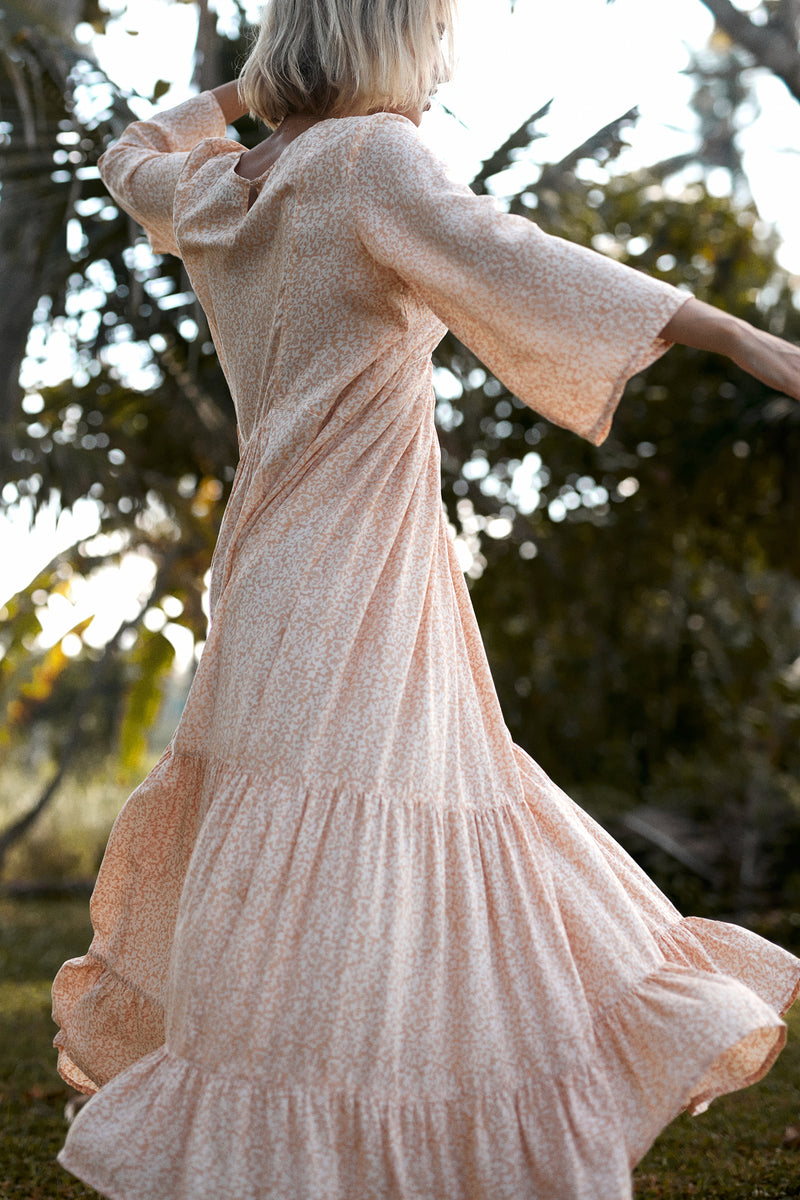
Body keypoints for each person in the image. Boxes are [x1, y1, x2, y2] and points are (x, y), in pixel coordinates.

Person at [52, 0, 800, 1196]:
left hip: (266, 577)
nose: (442, 55)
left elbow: (129, 149)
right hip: (360, 572)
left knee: (338, 860)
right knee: (387, 843)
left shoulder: (226, 187)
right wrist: (746, 343)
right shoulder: (370, 159)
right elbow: (524, 262)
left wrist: (259, 89)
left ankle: (309, 1157)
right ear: (394, 36)